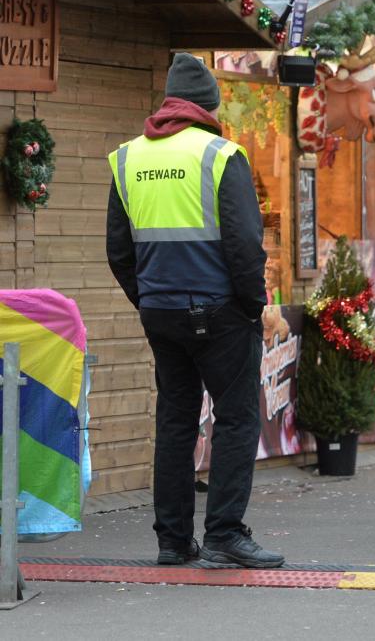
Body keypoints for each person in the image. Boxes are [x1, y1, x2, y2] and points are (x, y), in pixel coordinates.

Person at [106, 53, 283, 568]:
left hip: (160, 311)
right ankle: (225, 534)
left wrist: (149, 300)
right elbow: (245, 245)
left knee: (176, 421)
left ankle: (173, 540)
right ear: (209, 105)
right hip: (221, 311)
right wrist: (255, 307)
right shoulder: (221, 155)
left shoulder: (126, 158)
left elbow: (118, 252)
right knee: (235, 420)